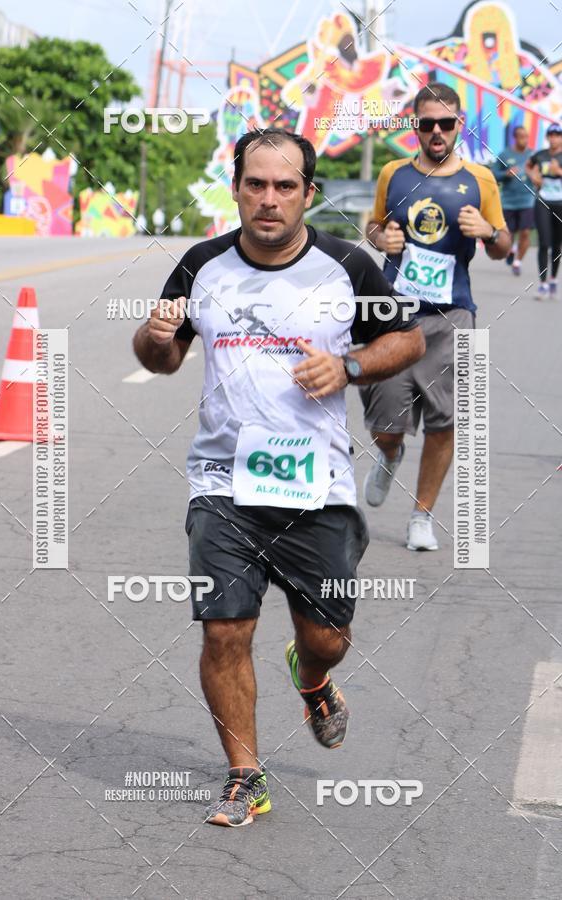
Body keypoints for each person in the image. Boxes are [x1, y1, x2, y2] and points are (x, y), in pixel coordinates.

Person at [133, 127, 425, 827]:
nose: (269, 199)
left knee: (327, 635)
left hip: (314, 485)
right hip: (222, 484)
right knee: (223, 630)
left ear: (308, 195)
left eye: (284, 186)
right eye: (256, 184)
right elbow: (160, 359)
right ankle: (244, 774)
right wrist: (152, 334)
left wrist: (349, 366)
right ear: (236, 189)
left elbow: (407, 337)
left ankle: (315, 677)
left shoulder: (348, 266)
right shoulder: (201, 265)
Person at [364, 82, 511, 551]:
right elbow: (373, 225)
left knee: (445, 422)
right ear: (415, 126)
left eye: (445, 123)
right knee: (385, 425)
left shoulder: (481, 179)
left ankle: (421, 516)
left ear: (459, 125)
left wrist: (488, 232)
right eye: (427, 124)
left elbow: (505, 244)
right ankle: (390, 455)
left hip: (453, 315)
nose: (436, 132)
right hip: (394, 314)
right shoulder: (393, 174)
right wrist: (379, 239)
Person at [492, 125, 535, 276]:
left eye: (526, 137)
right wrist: (506, 174)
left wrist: (535, 176)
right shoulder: (505, 155)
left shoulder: (532, 155)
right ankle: (511, 249)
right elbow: (493, 174)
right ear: (515, 138)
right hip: (509, 201)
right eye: (521, 137)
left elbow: (540, 174)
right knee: (508, 234)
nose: (524, 140)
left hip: (527, 200)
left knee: (525, 232)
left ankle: (517, 262)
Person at [526, 122, 562, 298]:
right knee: (544, 243)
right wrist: (534, 177)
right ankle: (542, 284)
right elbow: (528, 166)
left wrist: (559, 172)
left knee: (557, 245)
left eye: (558, 135)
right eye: (551, 135)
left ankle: (553, 278)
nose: (554, 138)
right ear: (548, 137)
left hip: (560, 203)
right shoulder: (540, 155)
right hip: (543, 201)